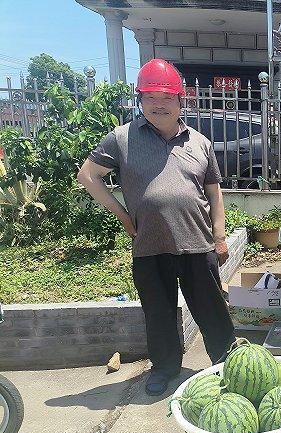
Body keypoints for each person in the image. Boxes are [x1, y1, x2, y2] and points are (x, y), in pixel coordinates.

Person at [77, 59, 235, 396]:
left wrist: (219, 237)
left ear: (181, 101)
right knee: (158, 313)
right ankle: (164, 368)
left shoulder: (200, 143)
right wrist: (122, 215)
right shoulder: (122, 139)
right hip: (150, 245)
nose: (158, 104)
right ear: (140, 100)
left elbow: (214, 193)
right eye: (150, 97)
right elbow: (87, 176)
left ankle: (226, 365)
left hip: (197, 243)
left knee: (212, 311)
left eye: (166, 97)